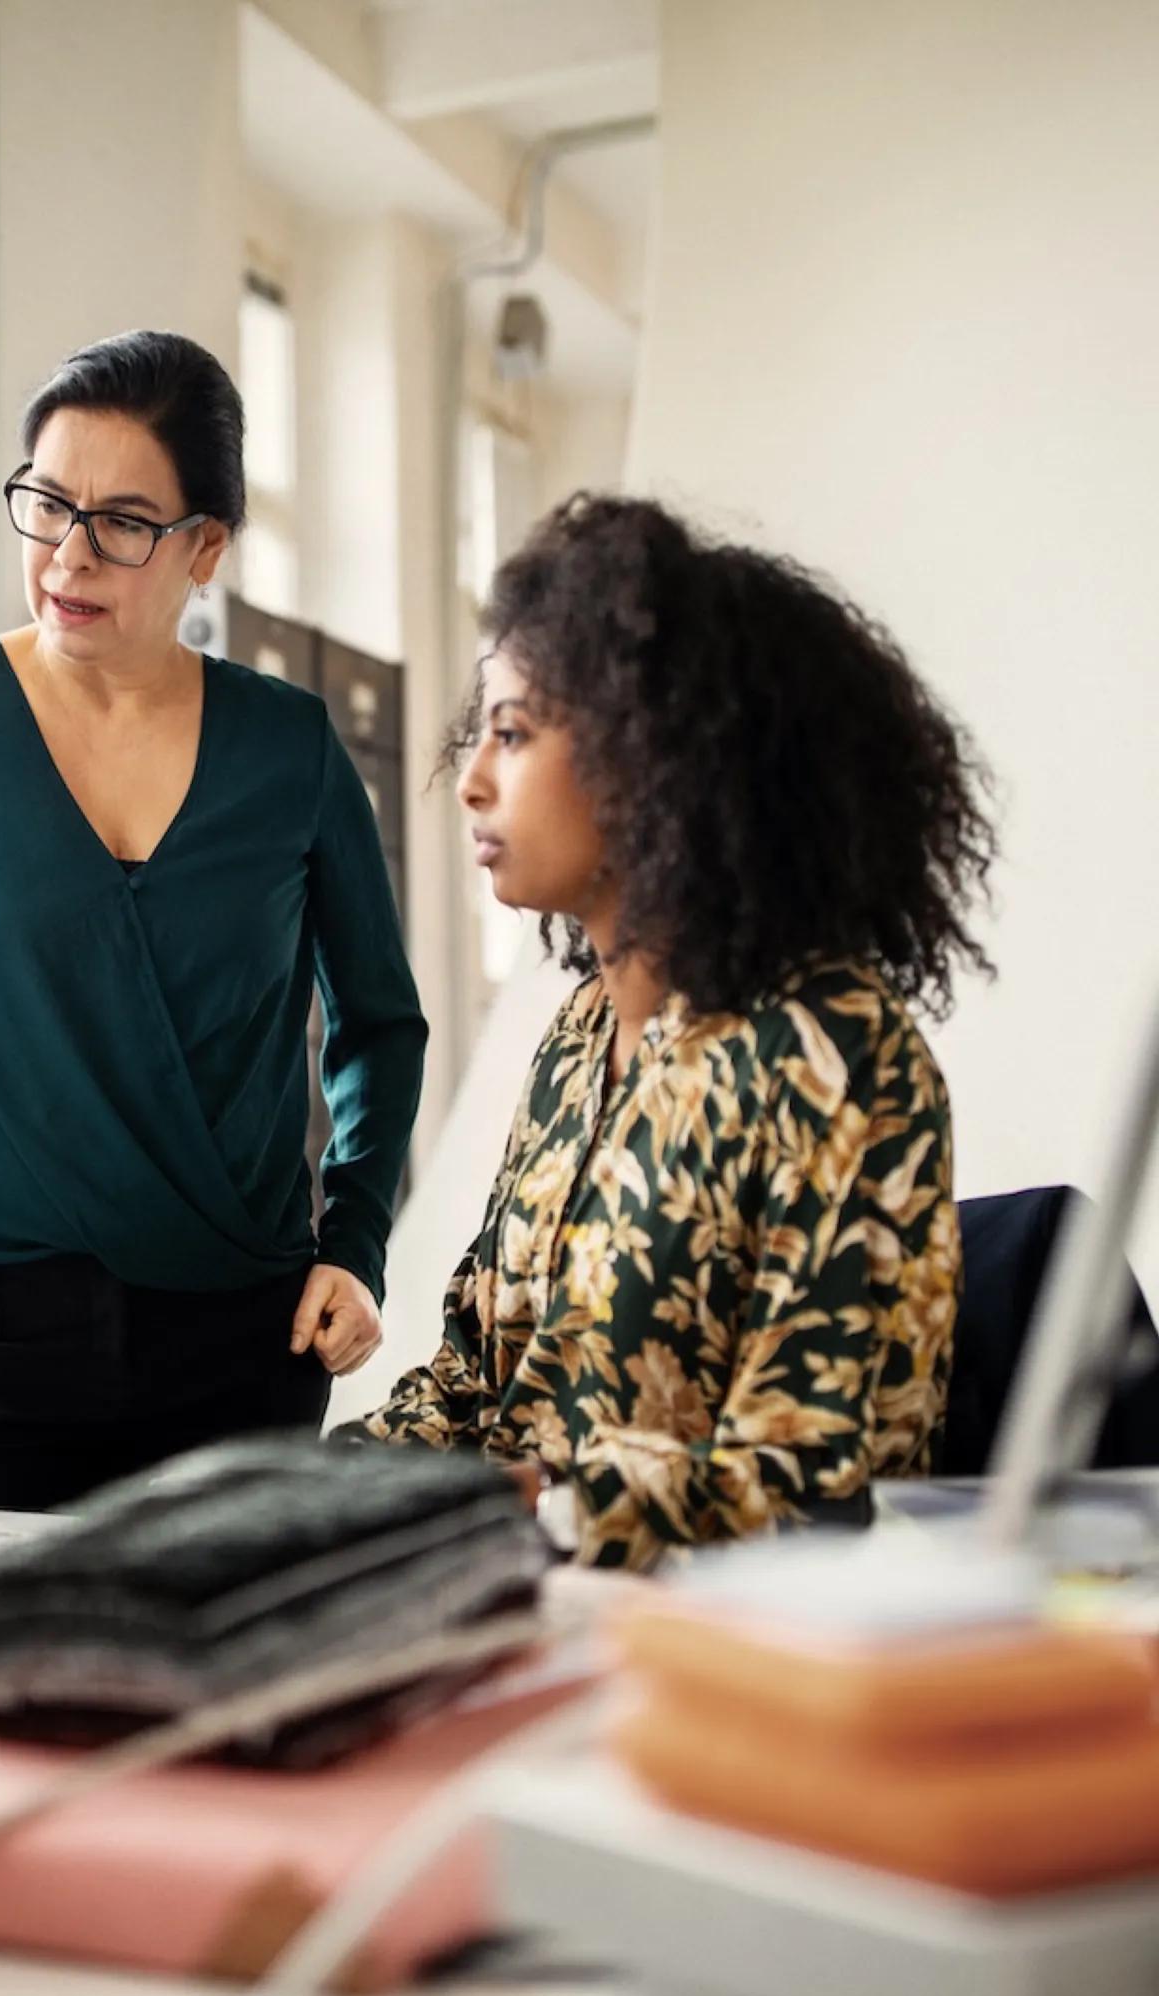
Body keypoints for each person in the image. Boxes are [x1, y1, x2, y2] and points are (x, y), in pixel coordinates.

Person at [0, 331, 426, 1518]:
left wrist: (356, 1238)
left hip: (240, 1348)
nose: (69, 555)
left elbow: (377, 1020)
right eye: (47, 504)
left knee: (231, 1702)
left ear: (204, 546)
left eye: (121, 520)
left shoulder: (292, 749)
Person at [344, 494, 995, 1570]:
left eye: (512, 733)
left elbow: (818, 1483)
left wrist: (534, 1504)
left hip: (705, 1660)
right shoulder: (578, 1035)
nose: (470, 778)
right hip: (505, 1612)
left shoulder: (831, 1052)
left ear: (652, 757)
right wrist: (286, 1494)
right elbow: (471, 1378)